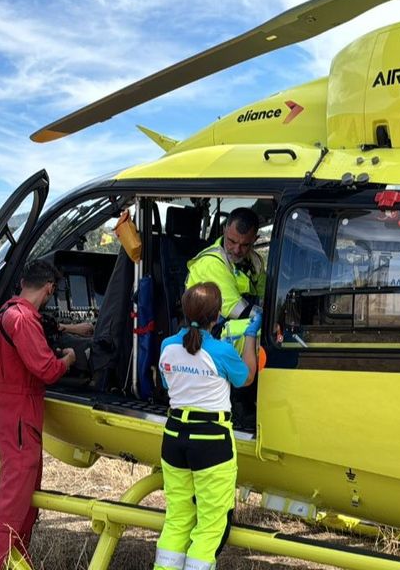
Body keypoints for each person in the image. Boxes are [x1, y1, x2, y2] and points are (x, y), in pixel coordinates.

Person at [0, 260, 77, 570]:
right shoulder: (21, 321)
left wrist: (69, 329)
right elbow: (46, 368)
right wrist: (69, 359)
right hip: (21, 413)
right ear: (49, 288)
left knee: (26, 498)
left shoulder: (9, 312)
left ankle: (17, 561)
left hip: (14, 411)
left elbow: (42, 329)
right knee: (12, 501)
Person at [153, 282, 260, 570]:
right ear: (217, 316)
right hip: (211, 441)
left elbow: (167, 383)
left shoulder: (167, 346)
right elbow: (247, 378)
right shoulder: (222, 351)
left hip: (174, 437)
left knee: (177, 517)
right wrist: (250, 336)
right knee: (211, 524)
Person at [185, 207, 266, 324]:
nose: (237, 250)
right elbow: (236, 310)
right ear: (224, 231)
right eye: (232, 241)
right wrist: (269, 318)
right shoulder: (211, 262)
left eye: (245, 245)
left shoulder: (255, 261)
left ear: (255, 239)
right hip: (210, 332)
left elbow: (266, 295)